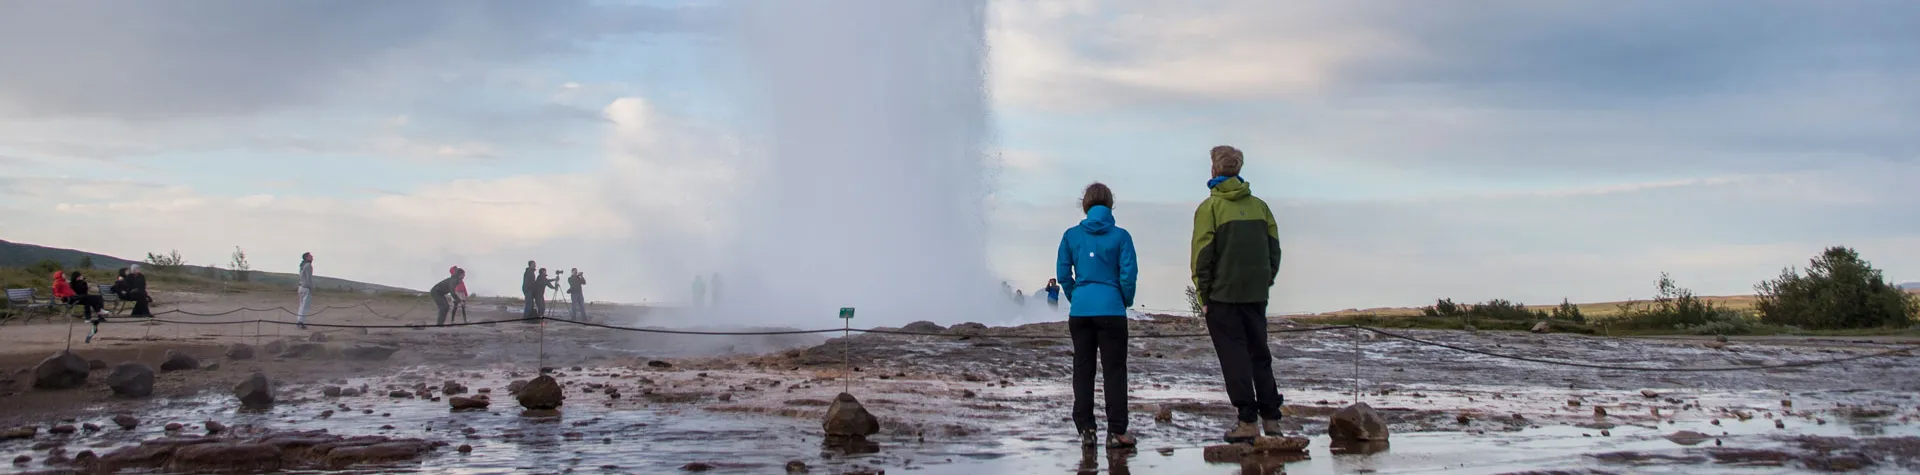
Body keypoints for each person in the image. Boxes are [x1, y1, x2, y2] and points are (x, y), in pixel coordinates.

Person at [1190, 145, 1285, 443]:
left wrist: (1204, 297)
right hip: (1255, 295)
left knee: (1235, 359)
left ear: (1214, 170)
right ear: (1239, 169)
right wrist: (1265, 281)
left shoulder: (1210, 208)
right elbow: (1274, 251)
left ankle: (1247, 421)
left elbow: (1202, 257)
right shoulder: (1260, 207)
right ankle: (1271, 420)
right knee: (1260, 355)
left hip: (1223, 298)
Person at [1056, 182, 1139, 449]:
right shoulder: (1121, 237)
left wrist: (1076, 296)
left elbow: (1062, 274)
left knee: (1083, 369)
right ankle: (1116, 431)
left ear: (1085, 205)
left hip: (1080, 311)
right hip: (1112, 310)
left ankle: (1086, 430)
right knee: (1114, 371)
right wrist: (1123, 300)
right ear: (1110, 204)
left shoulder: (1071, 236)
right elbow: (1128, 275)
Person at [297, 252, 314, 330]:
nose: (312, 257)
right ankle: (301, 322)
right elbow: (309, 278)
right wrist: (311, 287)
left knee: (301, 305)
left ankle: (299, 321)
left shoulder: (302, 265)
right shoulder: (308, 266)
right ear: (307, 257)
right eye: (310, 256)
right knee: (305, 306)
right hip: (306, 287)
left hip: (301, 286)